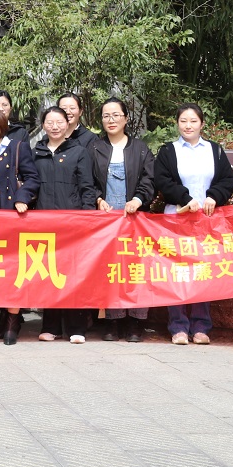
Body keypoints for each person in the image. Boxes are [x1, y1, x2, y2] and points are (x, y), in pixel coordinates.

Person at [155, 103, 233, 346]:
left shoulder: (214, 150)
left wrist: (214, 196)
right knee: (177, 271)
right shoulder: (168, 151)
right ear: (177, 123)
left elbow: (227, 179)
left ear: (202, 124)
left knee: (202, 271)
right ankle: (178, 327)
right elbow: (162, 180)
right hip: (176, 219)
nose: (188, 126)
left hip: (206, 221)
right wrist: (185, 198)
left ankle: (201, 326)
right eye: (183, 121)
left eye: (193, 121)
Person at [90, 98, 155, 342]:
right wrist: (98, 199)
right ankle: (112, 320)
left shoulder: (140, 148)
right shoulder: (94, 148)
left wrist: (138, 199)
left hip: (135, 219)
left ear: (126, 118)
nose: (111, 120)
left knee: (136, 269)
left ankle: (136, 322)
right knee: (111, 269)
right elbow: (86, 181)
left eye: (116, 115)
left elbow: (150, 179)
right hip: (106, 220)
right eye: (106, 116)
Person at [34, 106, 99, 344]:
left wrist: (87, 219)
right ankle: (50, 326)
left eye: (59, 122)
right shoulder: (36, 151)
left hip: (73, 223)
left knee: (74, 275)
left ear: (68, 124)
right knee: (49, 273)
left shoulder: (79, 151)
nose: (55, 126)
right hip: (44, 222)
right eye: (50, 122)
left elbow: (87, 188)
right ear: (43, 126)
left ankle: (76, 327)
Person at [0, 106, 39, 344]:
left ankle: (13, 321)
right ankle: (0, 318)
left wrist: (22, 198)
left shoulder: (16, 147)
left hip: (12, 209)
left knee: (12, 267)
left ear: (2, 125)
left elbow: (32, 178)